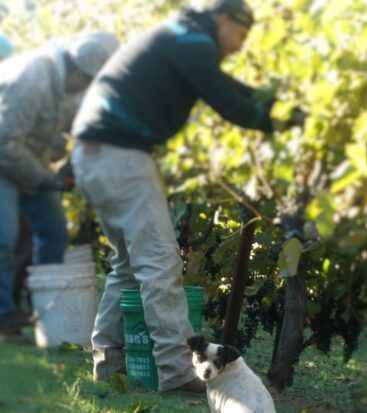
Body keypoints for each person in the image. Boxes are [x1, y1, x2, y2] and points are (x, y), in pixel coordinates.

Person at [71, 0, 305, 393]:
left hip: (95, 153)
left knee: (128, 265)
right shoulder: (192, 41)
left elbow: (230, 86)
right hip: (120, 154)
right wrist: (286, 120)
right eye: (242, 35)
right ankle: (179, 373)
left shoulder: (179, 37)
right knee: (159, 262)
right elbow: (231, 104)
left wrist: (279, 107)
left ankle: (108, 365)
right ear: (223, 19)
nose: (240, 47)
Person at [0, 32, 118, 342]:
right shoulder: (31, 80)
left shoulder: (67, 84)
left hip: (29, 164)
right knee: (4, 237)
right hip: (4, 159)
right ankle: (3, 319)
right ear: (79, 73)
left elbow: (74, 123)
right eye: (87, 83)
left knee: (54, 233)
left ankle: (41, 312)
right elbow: (5, 144)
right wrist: (47, 178)